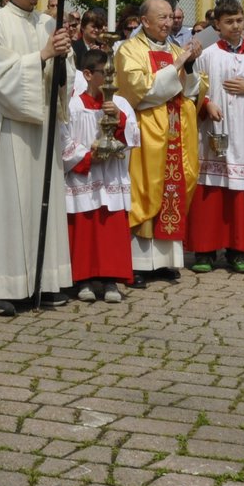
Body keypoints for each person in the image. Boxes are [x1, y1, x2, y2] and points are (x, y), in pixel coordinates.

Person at [0, 0, 74, 315]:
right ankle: (2, 285)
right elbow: (0, 78)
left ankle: (45, 280)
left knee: (40, 201)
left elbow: (66, 79)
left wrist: (62, 58)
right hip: (6, 130)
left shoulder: (49, 23)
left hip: (41, 128)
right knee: (6, 206)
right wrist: (43, 55)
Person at [116, 0, 201, 286]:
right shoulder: (130, 50)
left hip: (176, 130)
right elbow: (138, 90)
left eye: (170, 17)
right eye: (161, 18)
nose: (168, 23)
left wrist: (189, 67)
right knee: (146, 188)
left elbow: (191, 92)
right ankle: (138, 263)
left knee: (175, 186)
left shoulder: (177, 48)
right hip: (147, 132)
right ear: (144, 21)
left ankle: (166, 261)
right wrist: (177, 64)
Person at [188, 0, 244, 274]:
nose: (236, 26)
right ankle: (205, 250)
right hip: (212, 132)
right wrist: (205, 104)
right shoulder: (207, 54)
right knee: (210, 193)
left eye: (239, 20)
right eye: (229, 22)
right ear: (217, 24)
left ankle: (238, 251)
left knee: (241, 194)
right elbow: (190, 88)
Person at [62, 48, 138, 303]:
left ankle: (110, 280)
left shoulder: (121, 103)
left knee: (111, 229)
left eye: (112, 74)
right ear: (87, 74)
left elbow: (134, 138)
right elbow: (64, 142)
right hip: (84, 177)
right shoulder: (73, 105)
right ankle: (83, 279)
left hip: (112, 177)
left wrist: (118, 118)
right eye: (104, 74)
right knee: (84, 228)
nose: (110, 80)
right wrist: (87, 156)